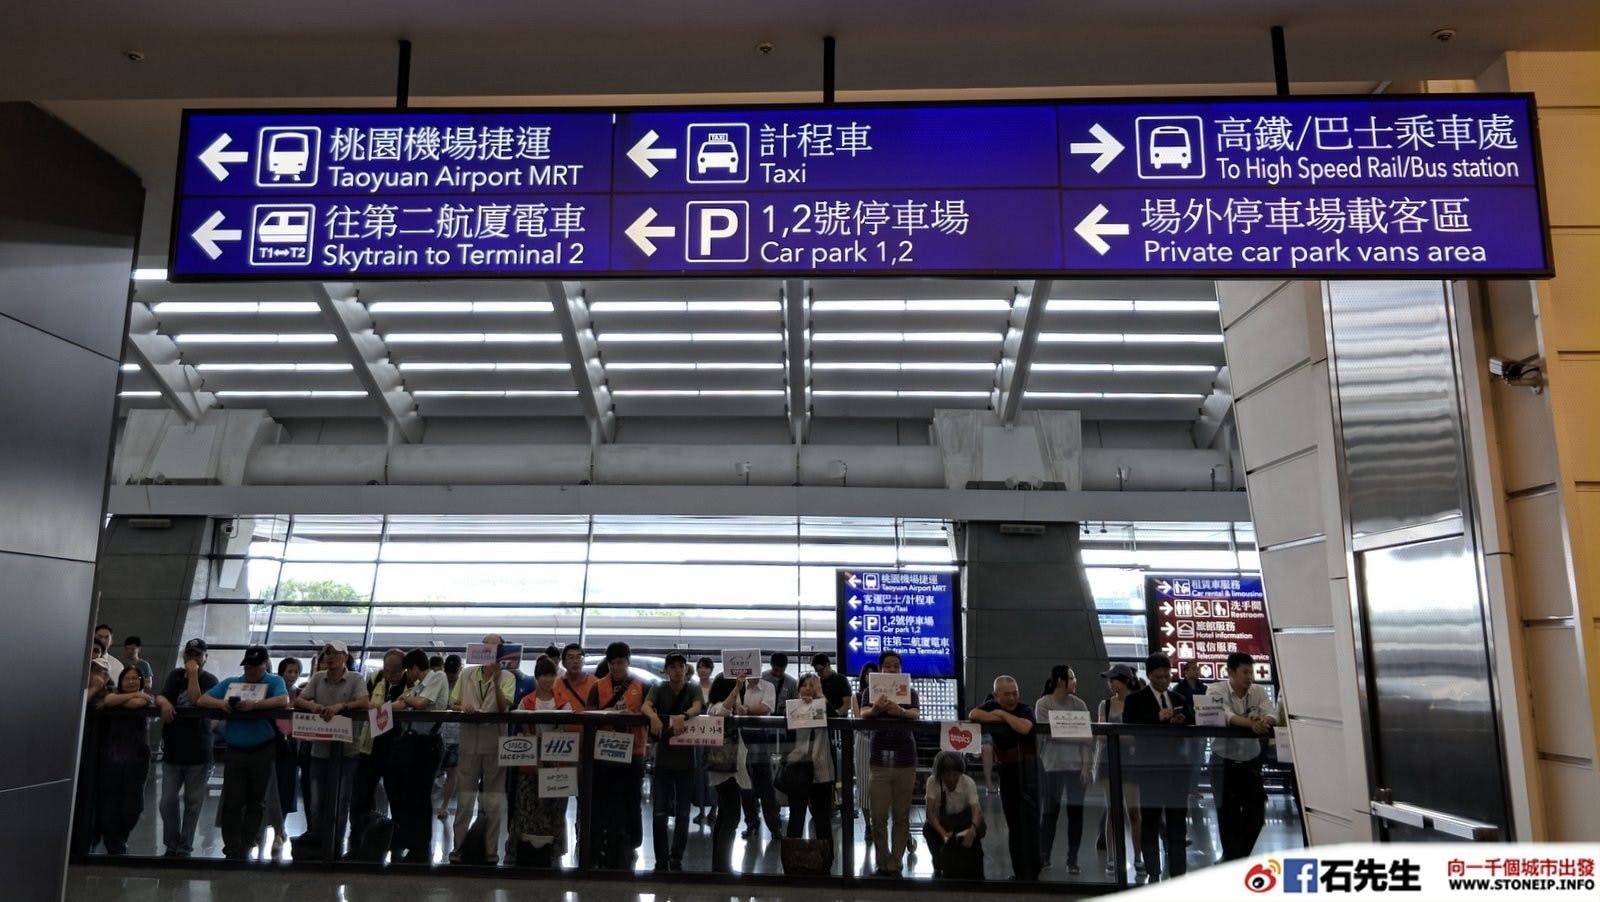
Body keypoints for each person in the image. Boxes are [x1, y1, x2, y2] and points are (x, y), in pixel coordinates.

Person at [195, 645, 291, 860]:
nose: (250, 671)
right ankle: (231, 847)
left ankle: (248, 842)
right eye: (247, 667)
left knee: (256, 801)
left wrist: (254, 705)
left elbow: (283, 700)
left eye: (255, 668)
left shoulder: (274, 682)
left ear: (264, 666)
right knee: (233, 800)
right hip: (236, 750)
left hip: (262, 749)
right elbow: (202, 700)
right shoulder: (232, 683)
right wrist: (222, 703)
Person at [1122, 653, 1195, 883]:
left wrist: (1181, 720)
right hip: (1150, 769)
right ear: (1149, 675)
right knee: (1151, 821)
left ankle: (1178, 873)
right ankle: (1153, 871)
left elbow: (1193, 718)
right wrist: (1157, 717)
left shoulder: (1178, 696)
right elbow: (1129, 723)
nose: (1164, 680)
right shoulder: (1136, 699)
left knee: (1177, 822)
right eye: (1159, 676)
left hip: (1176, 770)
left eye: (1168, 675)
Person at [293, 640, 368, 858]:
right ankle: (319, 844)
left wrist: (341, 707)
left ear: (345, 657)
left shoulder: (356, 678)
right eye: (327, 654)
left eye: (335, 654)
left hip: (347, 751)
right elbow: (300, 700)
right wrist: (315, 707)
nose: (330, 657)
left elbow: (364, 701)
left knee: (341, 800)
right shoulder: (318, 678)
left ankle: (335, 846)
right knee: (317, 801)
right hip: (320, 749)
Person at [450, 634, 515, 864]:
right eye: (486, 645)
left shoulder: (508, 676)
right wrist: (463, 707)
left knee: (493, 799)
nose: (490, 649)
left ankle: (490, 850)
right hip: (469, 740)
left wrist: (496, 680)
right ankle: (458, 848)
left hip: (494, 741)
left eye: (495, 646)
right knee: (464, 797)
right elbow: (453, 702)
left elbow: (503, 707)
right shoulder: (467, 673)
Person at [969, 675, 1041, 880]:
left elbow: (1024, 727)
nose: (1012, 698)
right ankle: (1019, 872)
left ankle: (1033, 870)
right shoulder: (990, 705)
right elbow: (974, 714)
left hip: (1028, 771)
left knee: (1030, 821)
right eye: (1007, 694)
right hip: (1008, 771)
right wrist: (1002, 715)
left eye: (1015, 693)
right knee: (1013, 823)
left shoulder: (1025, 709)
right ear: (996, 695)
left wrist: (1001, 713)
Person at [1207, 652, 1277, 861]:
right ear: (1230, 672)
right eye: (1245, 672)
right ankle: (1233, 859)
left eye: (1251, 672)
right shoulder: (1216, 689)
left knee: (1256, 815)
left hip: (1250, 760)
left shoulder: (1257, 691)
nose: (1249, 677)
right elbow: (1224, 715)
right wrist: (1250, 723)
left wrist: (1264, 719)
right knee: (1227, 815)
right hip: (1223, 760)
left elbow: (1272, 713)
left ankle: (1236, 858)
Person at [585, 641, 648, 869]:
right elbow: (588, 713)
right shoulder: (598, 686)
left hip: (634, 753)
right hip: (605, 753)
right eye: (612, 663)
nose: (617, 667)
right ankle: (606, 843)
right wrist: (606, 713)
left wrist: (636, 714)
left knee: (631, 800)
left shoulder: (642, 686)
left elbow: (649, 712)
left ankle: (630, 842)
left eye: (621, 662)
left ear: (628, 662)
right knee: (605, 800)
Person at [154, 638, 218, 858]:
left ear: (205, 658)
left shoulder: (210, 680)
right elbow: (162, 694)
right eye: (189, 655)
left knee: (193, 802)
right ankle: (171, 844)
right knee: (167, 801)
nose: (192, 660)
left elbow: (197, 700)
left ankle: (185, 846)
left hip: (199, 753)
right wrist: (163, 702)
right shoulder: (174, 676)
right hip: (173, 750)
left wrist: (192, 675)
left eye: (197, 656)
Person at [508, 655, 572, 867]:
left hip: (556, 763)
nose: (547, 679)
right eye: (543, 675)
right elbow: (524, 730)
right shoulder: (526, 701)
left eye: (551, 674)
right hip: (530, 764)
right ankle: (523, 849)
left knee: (555, 808)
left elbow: (564, 732)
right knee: (526, 807)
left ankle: (553, 851)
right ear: (537, 677)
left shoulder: (564, 702)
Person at [642, 652, 703, 871]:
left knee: (683, 813)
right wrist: (653, 717)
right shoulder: (659, 688)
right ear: (666, 670)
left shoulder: (693, 687)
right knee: (659, 813)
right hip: (663, 760)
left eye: (681, 666)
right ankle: (660, 859)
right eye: (673, 667)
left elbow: (698, 706)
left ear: (686, 669)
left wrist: (683, 716)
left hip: (686, 761)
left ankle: (676, 856)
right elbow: (646, 706)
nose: (678, 670)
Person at [863, 650, 920, 877]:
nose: (892, 670)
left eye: (896, 666)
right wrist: (875, 710)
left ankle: (896, 862)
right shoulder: (870, 691)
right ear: (880, 669)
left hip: (905, 760)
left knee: (901, 814)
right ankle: (882, 859)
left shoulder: (910, 692)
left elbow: (916, 714)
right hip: (879, 761)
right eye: (888, 666)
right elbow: (863, 713)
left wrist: (901, 711)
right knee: (878, 816)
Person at [391, 648, 450, 863]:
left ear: (416, 667)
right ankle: (410, 839)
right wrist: (406, 699)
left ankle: (421, 844)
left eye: (409, 669)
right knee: (411, 793)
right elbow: (401, 702)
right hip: (413, 742)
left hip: (428, 743)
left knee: (422, 794)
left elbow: (421, 703)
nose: (408, 674)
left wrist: (407, 699)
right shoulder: (418, 686)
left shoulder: (437, 677)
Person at [1035, 665, 1091, 876]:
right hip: (1052, 767)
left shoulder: (1079, 704)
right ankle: (1044, 856)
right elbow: (1051, 734)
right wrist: (1080, 735)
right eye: (1072, 678)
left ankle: (1072, 859)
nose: (1075, 681)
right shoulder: (1044, 703)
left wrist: (1085, 766)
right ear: (1060, 681)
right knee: (1050, 813)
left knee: (1076, 814)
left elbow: (1087, 742)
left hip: (1076, 767)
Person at [351, 647, 409, 850]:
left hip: (398, 746)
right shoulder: (375, 678)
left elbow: (406, 706)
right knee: (362, 794)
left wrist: (385, 707)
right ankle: (358, 837)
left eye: (395, 671)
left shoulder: (410, 684)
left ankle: (398, 841)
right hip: (371, 744)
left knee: (398, 795)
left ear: (404, 670)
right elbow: (363, 702)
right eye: (387, 670)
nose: (390, 675)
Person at [92, 667, 155, 855]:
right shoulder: (129, 696)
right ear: (120, 681)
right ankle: (115, 845)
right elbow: (110, 699)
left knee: (133, 806)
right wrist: (137, 695)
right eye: (127, 678)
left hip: (137, 760)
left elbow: (134, 705)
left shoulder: (144, 699)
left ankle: (120, 837)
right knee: (109, 802)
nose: (131, 681)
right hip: (111, 759)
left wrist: (135, 698)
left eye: (135, 678)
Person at [1092, 663, 1143, 876]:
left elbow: (1137, 736)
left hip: (1131, 762)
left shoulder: (1138, 703)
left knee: (1134, 811)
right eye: (1109, 679)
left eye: (1114, 679)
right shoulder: (1105, 704)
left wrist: (1120, 735)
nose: (1110, 683)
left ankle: (1138, 857)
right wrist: (1126, 737)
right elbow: (1103, 734)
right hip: (1108, 760)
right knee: (1113, 808)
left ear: (1124, 681)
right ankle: (1112, 857)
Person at [783, 673, 835, 842]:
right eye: (805, 685)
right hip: (798, 767)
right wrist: (800, 707)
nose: (808, 688)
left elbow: (837, 718)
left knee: (822, 820)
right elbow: (787, 736)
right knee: (796, 817)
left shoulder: (823, 707)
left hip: (822, 768)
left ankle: (824, 860)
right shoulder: (791, 709)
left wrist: (820, 698)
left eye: (813, 685)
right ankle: (793, 860)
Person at [703, 673, 747, 873]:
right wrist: (736, 690)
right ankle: (722, 865)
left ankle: (720, 863)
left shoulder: (728, 708)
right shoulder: (714, 707)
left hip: (728, 768)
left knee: (725, 817)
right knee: (730, 817)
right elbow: (721, 712)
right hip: (723, 769)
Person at [922, 750, 985, 878]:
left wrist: (972, 830)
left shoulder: (968, 782)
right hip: (941, 824)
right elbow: (929, 813)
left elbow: (976, 810)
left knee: (977, 832)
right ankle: (939, 863)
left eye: (954, 774)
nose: (951, 778)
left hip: (963, 823)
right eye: (946, 774)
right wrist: (943, 833)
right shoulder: (932, 782)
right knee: (928, 830)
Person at [737, 666, 782, 840]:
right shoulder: (739, 686)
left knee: (765, 783)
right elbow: (734, 707)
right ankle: (751, 823)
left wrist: (746, 710)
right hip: (741, 736)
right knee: (744, 783)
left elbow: (766, 708)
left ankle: (774, 826)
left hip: (761, 736)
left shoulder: (768, 686)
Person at [264, 656, 302, 858]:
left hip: (291, 746)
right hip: (273, 743)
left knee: (286, 788)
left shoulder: (301, 695)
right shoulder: (272, 693)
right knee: (270, 787)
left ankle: (280, 830)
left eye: (296, 672)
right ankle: (267, 828)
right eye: (289, 671)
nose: (292, 675)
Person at [436, 654, 463, 820]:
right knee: (436, 771)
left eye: (453, 672)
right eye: (449, 671)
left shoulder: (464, 683)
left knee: (452, 771)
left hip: (456, 736)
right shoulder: (440, 682)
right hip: (439, 733)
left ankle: (444, 806)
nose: (451, 675)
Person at [691, 656, 717, 825]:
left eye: (706, 667)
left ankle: (714, 808)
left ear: (711, 669)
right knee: (699, 772)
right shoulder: (692, 687)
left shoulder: (716, 686)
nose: (703, 670)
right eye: (700, 667)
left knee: (714, 770)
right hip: (697, 733)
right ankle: (700, 809)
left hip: (714, 731)